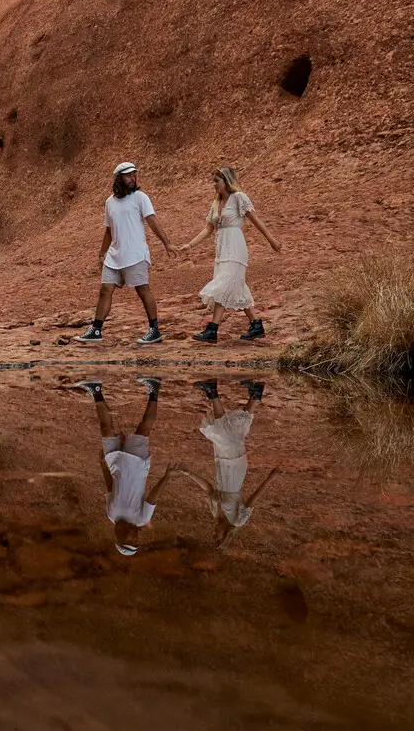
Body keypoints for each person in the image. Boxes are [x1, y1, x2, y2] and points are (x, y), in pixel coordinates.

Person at [75, 161, 177, 345]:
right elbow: (108, 230)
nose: (132, 178)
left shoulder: (140, 198)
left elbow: (152, 221)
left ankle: (154, 330)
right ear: (119, 178)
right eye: (128, 175)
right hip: (114, 255)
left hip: (135, 254)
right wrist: (101, 253)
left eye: (134, 175)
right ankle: (96, 330)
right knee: (105, 290)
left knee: (142, 289)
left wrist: (166, 244)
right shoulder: (109, 202)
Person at [76, 377, 177, 554]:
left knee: (106, 429)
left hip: (115, 466)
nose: (136, 537)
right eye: (136, 541)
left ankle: (96, 390)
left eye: (132, 540)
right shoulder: (141, 519)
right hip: (136, 466)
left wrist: (102, 465)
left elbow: (110, 487)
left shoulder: (111, 515)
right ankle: (154, 390)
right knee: (143, 428)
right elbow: (153, 497)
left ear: (120, 538)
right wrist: (167, 476)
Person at [180, 166, 281, 342]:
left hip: (235, 247)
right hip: (222, 249)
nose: (214, 185)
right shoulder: (216, 203)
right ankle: (256, 325)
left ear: (226, 181)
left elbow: (255, 220)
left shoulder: (238, 198)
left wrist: (271, 240)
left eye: (216, 181)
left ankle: (212, 330)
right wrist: (190, 245)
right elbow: (207, 229)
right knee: (236, 286)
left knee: (224, 284)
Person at [182, 379, 279, 548]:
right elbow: (253, 499)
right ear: (225, 536)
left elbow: (208, 489)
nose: (214, 533)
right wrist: (270, 479)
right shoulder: (237, 521)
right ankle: (212, 392)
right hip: (234, 471)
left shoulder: (215, 514)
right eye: (217, 537)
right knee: (223, 434)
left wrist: (189, 474)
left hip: (221, 467)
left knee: (232, 434)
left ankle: (256, 395)